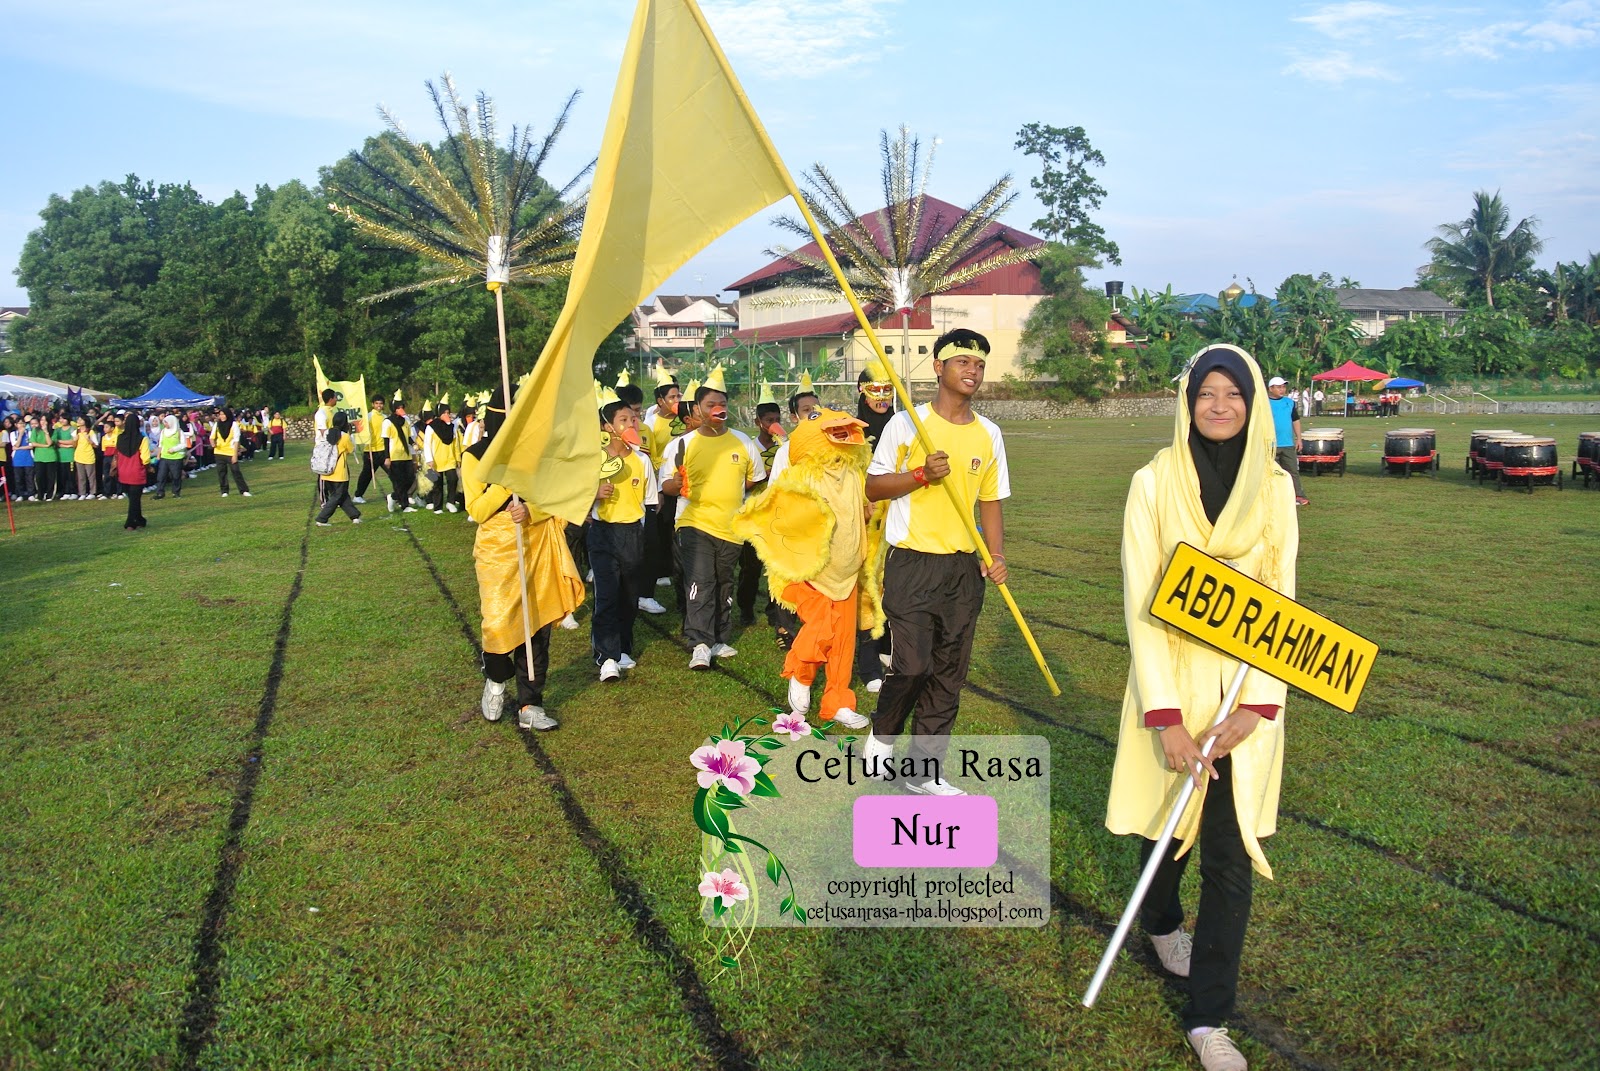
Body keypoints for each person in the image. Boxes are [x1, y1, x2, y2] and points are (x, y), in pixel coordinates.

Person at [1106, 344, 1297, 1071]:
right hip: (1172, 689)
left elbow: (1283, 596)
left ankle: (1208, 1017)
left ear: (1253, 404)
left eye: (1233, 394)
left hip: (1243, 699)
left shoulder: (1275, 488)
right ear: (1187, 402)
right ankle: (1159, 920)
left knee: (1227, 851)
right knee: (1159, 828)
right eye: (1206, 393)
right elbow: (1140, 598)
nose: (1219, 405)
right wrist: (1167, 717)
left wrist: (1257, 706)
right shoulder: (1153, 481)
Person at [862, 329, 1010, 796]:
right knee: (911, 664)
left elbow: (991, 500)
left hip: (965, 569)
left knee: (949, 672)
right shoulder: (907, 425)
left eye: (979, 364)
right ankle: (882, 733)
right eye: (962, 361)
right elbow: (873, 487)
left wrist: (997, 554)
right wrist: (921, 475)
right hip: (912, 564)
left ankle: (923, 771)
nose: (972, 371)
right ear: (938, 368)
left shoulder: (990, 434)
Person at [463, 391, 585, 731]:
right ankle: (496, 681)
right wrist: (507, 484)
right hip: (496, 549)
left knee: (537, 625)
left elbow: (558, 496)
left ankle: (531, 702)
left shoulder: (540, 453)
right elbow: (477, 509)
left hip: (537, 542)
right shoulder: (474, 456)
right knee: (499, 623)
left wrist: (533, 510)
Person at [659, 370, 766, 670]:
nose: (717, 409)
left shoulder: (743, 442)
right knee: (701, 581)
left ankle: (719, 636)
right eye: (710, 404)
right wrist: (679, 484)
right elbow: (665, 486)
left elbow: (754, 480)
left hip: (731, 527)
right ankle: (700, 642)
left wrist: (729, 493)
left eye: (722, 403)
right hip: (694, 524)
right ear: (697, 410)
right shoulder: (682, 445)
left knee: (723, 582)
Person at [588, 399, 658, 682]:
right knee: (606, 595)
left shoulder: (642, 460)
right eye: (623, 420)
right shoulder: (595, 460)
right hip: (603, 533)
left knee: (629, 595)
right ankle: (606, 656)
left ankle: (623, 647)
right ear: (607, 427)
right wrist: (594, 493)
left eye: (633, 419)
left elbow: (651, 503)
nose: (631, 424)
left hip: (632, 533)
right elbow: (574, 498)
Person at [854, 360, 897, 693]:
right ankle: (868, 665)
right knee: (867, 591)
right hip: (864, 522)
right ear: (861, 391)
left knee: (895, 588)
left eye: (887, 390)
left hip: (898, 520)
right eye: (875, 390)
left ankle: (887, 649)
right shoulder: (852, 430)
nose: (882, 397)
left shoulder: (901, 425)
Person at [1265, 377, 1308, 507]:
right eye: (1278, 387)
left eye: (1283, 387)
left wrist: (1299, 438)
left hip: (1287, 443)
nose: (1282, 389)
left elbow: (1295, 421)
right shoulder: (1264, 403)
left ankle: (1298, 495)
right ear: (1270, 389)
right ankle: (1274, 496)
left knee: (1292, 471)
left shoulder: (1289, 403)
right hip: (1270, 444)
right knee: (1272, 472)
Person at [314, 412, 362, 527]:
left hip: (326, 472)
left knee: (343, 496)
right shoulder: (344, 436)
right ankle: (321, 519)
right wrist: (350, 435)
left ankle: (355, 516)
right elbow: (351, 450)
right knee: (337, 497)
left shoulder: (326, 433)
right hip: (339, 473)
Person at [114, 412, 151, 530]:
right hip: (136, 471)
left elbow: (117, 454)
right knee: (135, 498)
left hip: (123, 471)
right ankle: (130, 522)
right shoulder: (142, 439)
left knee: (133, 498)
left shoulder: (120, 438)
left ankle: (139, 519)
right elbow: (145, 458)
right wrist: (148, 466)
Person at [423, 404, 462, 513]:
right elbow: (427, 444)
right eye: (444, 413)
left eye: (448, 413)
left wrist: (458, 458)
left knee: (453, 479)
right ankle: (438, 507)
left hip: (450, 459)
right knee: (437, 484)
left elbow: (456, 443)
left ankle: (451, 502)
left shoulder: (452, 426)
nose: (446, 415)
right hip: (436, 460)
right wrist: (429, 459)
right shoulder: (431, 426)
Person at [382, 400, 417, 512]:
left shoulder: (405, 421)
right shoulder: (387, 422)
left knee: (410, 478)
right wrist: (387, 457)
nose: (401, 409)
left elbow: (409, 437)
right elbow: (386, 440)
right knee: (399, 481)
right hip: (394, 455)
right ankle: (404, 505)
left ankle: (393, 497)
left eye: (402, 407)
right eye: (398, 408)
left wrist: (414, 444)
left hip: (406, 454)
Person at [211, 409, 251, 497]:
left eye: (223, 414)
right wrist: (212, 443)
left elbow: (236, 440)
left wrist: (235, 454)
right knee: (221, 472)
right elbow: (212, 437)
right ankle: (224, 491)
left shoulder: (234, 425)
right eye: (220, 415)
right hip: (219, 452)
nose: (222, 416)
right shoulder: (217, 425)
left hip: (230, 452)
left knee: (236, 471)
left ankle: (243, 490)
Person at [153, 415, 189, 499]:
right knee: (161, 476)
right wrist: (159, 454)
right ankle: (160, 493)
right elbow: (161, 444)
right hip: (165, 457)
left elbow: (184, 444)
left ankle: (176, 492)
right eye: (164, 422)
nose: (165, 424)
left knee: (176, 476)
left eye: (166, 422)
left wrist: (174, 449)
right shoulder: (163, 432)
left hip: (176, 457)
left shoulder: (179, 432)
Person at [72, 416, 100, 499]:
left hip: (88, 456)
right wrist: (75, 440)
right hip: (79, 456)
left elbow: (96, 445)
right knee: (81, 476)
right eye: (78, 419)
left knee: (91, 476)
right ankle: (82, 493)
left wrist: (89, 440)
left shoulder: (90, 432)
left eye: (81, 419)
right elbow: (74, 445)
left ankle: (92, 492)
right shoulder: (76, 432)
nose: (79, 421)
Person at [9, 416, 36, 501]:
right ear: (16, 425)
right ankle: (20, 494)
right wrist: (20, 434)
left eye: (23, 423)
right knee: (18, 478)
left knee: (29, 477)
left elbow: (31, 446)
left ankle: (31, 493)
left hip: (28, 457)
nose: (22, 425)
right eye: (20, 423)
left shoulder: (30, 433)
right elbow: (15, 445)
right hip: (17, 459)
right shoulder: (13, 434)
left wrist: (19, 448)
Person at [29, 415, 56, 501]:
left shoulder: (53, 431)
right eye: (41, 420)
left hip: (50, 456)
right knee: (39, 477)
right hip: (39, 456)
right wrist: (44, 446)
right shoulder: (35, 430)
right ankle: (40, 494)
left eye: (45, 420)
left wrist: (46, 432)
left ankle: (49, 495)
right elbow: (33, 443)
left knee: (50, 477)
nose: (42, 422)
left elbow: (50, 442)